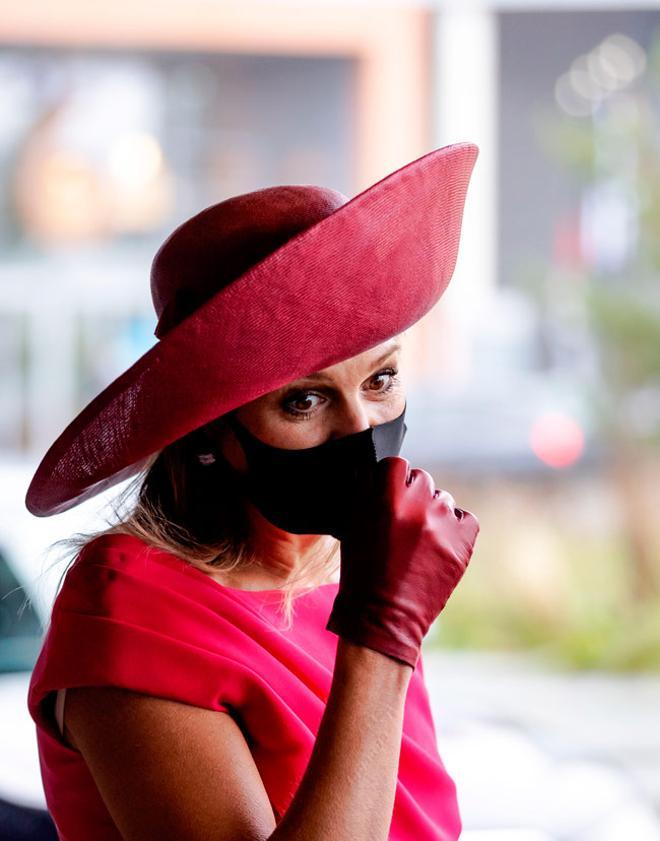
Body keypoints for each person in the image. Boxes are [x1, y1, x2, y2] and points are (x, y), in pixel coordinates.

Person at [25, 141, 481, 841]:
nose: (361, 428)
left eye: (381, 379)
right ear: (212, 431)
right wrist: (384, 630)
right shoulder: (131, 604)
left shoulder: (342, 567)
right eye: (303, 400)